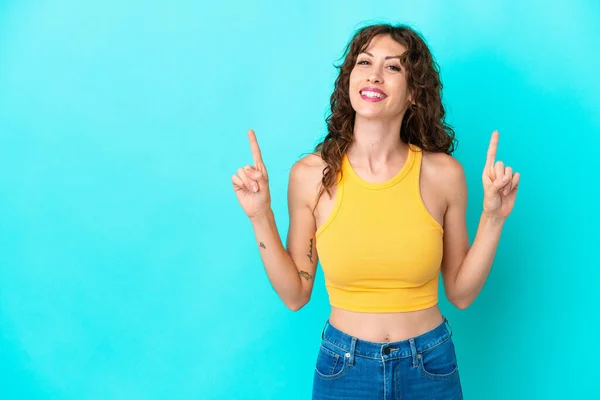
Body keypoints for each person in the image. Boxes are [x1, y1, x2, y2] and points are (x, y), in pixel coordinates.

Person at [232, 23, 519, 400]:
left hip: (430, 364)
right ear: (350, 79)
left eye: (394, 67)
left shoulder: (444, 175)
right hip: (344, 368)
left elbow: (461, 294)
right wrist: (260, 214)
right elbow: (295, 293)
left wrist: (493, 217)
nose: (374, 75)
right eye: (364, 62)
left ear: (414, 93)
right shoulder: (310, 176)